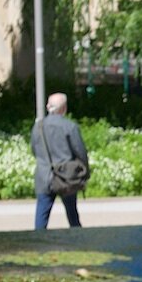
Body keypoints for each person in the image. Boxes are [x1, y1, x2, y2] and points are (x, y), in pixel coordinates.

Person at [30, 92, 89, 229]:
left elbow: (34, 150)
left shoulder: (37, 127)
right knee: (72, 215)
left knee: (42, 215)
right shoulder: (69, 126)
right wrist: (84, 171)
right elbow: (80, 151)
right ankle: (77, 243)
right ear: (64, 108)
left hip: (44, 175)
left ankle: (39, 243)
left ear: (47, 107)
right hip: (66, 176)